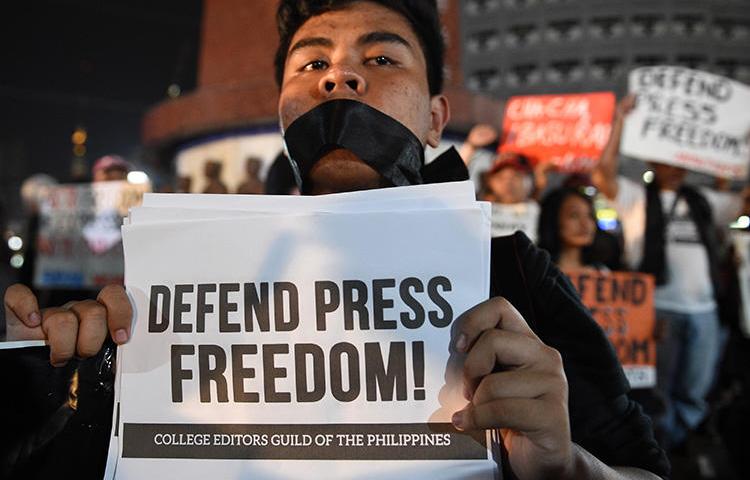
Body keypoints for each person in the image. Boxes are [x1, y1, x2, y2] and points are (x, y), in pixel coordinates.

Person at [3, 2, 668, 479]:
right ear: (283, 111)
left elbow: (641, 464)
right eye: (312, 61)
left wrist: (564, 465)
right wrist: (65, 392)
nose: (340, 77)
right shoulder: (179, 282)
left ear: (437, 117)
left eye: (381, 58)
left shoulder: (514, 275)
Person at [592, 94, 745, 452]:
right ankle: (664, 451)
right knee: (657, 392)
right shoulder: (635, 198)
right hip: (656, 309)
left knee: (697, 388)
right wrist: (619, 122)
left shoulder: (705, 201)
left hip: (705, 311)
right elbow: (602, 174)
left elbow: (744, 200)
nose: (675, 165)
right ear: (651, 161)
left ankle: (677, 444)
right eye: (666, 158)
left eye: (681, 159)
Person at [537, 185, 605, 272]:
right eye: (574, 215)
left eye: (590, 215)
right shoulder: (538, 273)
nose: (585, 224)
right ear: (552, 219)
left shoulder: (602, 273)